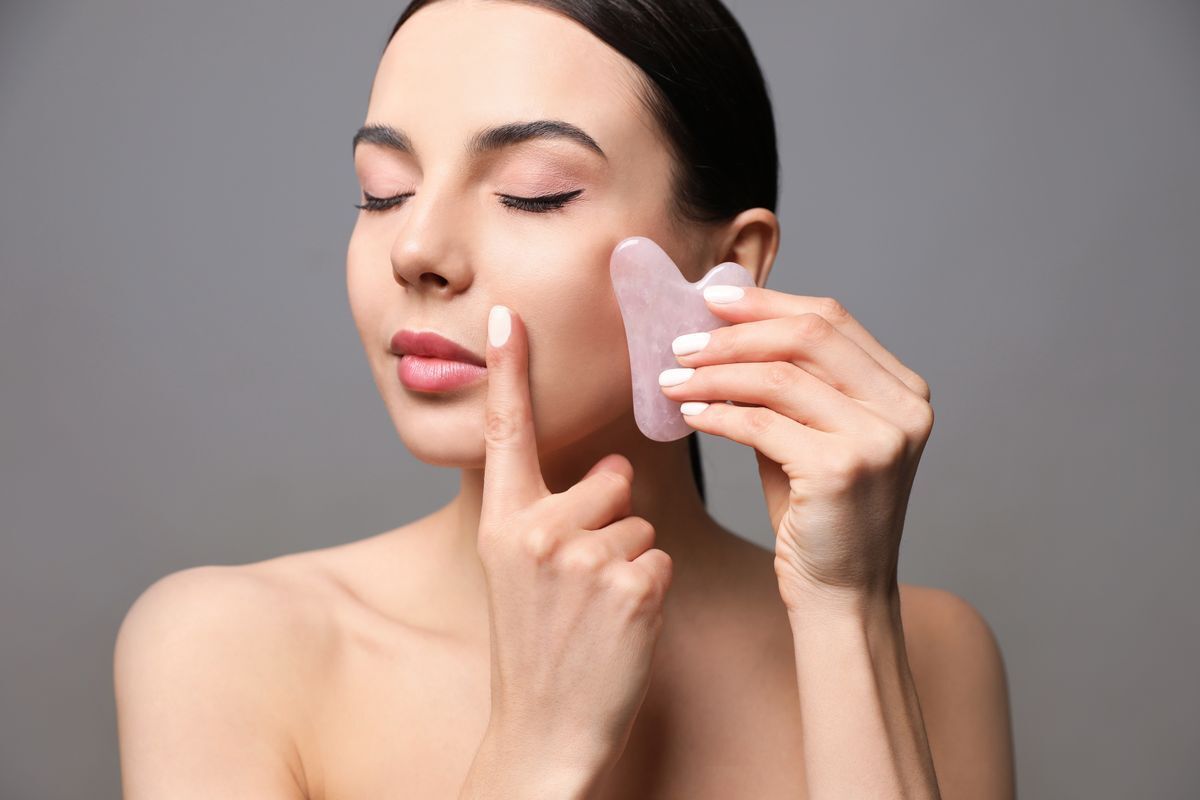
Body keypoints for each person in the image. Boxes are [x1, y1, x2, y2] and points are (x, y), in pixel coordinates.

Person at [113, 0, 1015, 797]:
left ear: (723, 269)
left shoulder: (932, 652)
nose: (415, 249)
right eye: (382, 193)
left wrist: (843, 610)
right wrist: (536, 749)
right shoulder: (227, 650)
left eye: (530, 195)